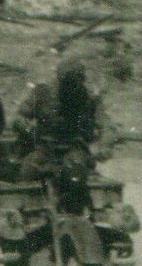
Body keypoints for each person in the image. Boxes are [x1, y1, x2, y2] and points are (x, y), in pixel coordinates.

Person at [14, 58, 106, 194]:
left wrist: (102, 147)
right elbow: (19, 118)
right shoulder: (42, 93)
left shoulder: (90, 98)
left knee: (75, 177)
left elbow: (104, 125)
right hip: (45, 149)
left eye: (75, 83)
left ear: (81, 80)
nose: (71, 88)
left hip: (75, 149)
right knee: (27, 173)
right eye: (67, 83)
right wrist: (30, 131)